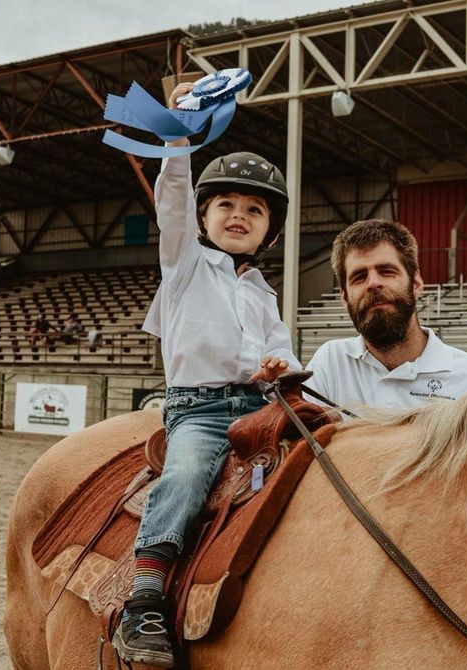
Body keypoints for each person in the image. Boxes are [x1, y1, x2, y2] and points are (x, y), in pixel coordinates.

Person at [111, 82, 301, 667]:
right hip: (197, 408)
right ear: (202, 216)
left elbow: (281, 353)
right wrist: (178, 137)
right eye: (226, 205)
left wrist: (280, 368)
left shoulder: (263, 291)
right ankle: (145, 592)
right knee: (190, 473)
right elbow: (171, 196)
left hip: (259, 403)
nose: (239, 216)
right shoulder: (186, 261)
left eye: (254, 209)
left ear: (270, 228)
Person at [305, 219, 467, 413]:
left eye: (387, 271)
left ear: (416, 283)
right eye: (359, 277)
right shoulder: (330, 364)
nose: (373, 283)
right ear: (344, 297)